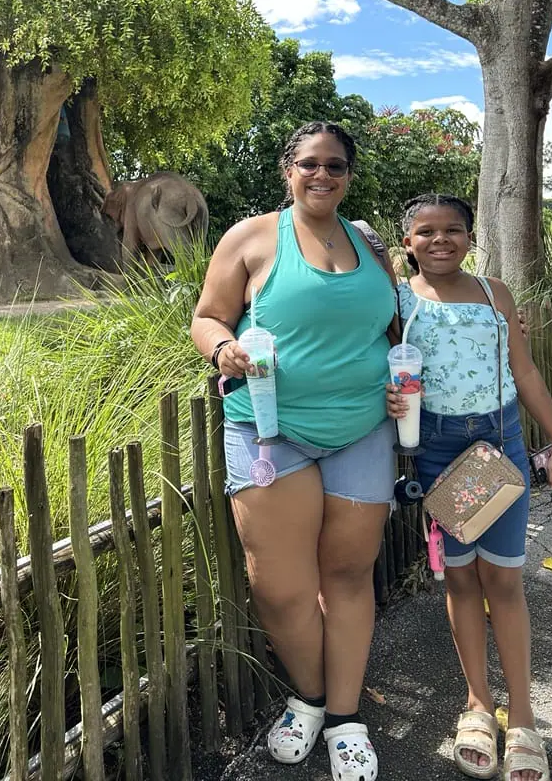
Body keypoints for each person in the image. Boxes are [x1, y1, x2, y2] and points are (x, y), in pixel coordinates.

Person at [191, 122, 398, 781]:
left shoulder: (369, 243)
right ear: (289, 170)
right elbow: (207, 314)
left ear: (348, 176)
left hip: (363, 430)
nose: (322, 175)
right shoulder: (252, 237)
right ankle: (308, 698)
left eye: (335, 166)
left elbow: (395, 325)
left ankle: (344, 717)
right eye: (310, 164)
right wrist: (222, 348)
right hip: (268, 433)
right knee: (280, 590)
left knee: (347, 578)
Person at [387, 194, 552, 781]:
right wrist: (387, 398)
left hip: (499, 445)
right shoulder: (395, 301)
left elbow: (524, 370)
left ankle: (521, 717)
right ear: (407, 243)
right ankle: (475, 702)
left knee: (505, 580)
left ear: (471, 236)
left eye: (453, 230)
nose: (440, 240)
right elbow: (378, 364)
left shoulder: (496, 294)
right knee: (461, 579)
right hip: (434, 451)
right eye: (425, 232)